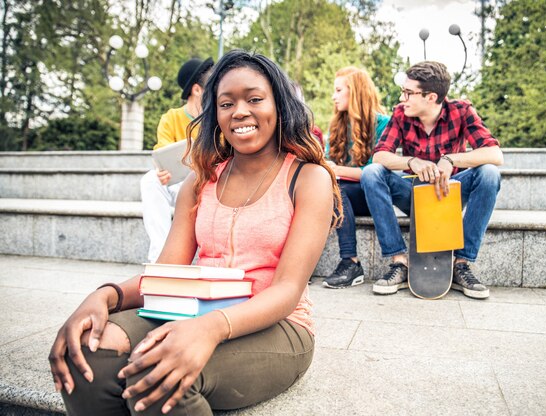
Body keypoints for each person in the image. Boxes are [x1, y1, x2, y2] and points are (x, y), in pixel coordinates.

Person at [49, 50, 342, 415]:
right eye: (226, 103)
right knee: (88, 353)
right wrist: (105, 297)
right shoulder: (199, 180)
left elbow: (286, 291)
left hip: (280, 325)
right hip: (196, 308)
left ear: (279, 105)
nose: (239, 111)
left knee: (158, 375)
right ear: (215, 114)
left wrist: (211, 329)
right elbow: (166, 271)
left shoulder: (308, 178)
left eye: (254, 99)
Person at [361, 61, 503, 298]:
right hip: (413, 195)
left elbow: (495, 154)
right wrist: (411, 162)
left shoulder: (462, 111)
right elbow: (379, 156)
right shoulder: (400, 113)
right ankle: (399, 261)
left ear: (431, 97)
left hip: (450, 194)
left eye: (408, 92)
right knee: (371, 173)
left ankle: (462, 264)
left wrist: (450, 159)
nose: (402, 97)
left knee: (489, 173)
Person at [140, 57, 214, 263]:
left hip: (211, 183)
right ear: (197, 90)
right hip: (181, 183)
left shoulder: (219, 117)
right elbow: (163, 155)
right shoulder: (170, 118)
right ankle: (160, 258)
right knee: (150, 180)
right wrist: (163, 171)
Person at [322, 66, 390, 289]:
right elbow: (326, 162)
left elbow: (377, 170)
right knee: (331, 189)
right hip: (343, 198)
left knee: (339, 188)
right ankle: (348, 262)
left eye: (339, 90)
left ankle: (350, 263)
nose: (334, 96)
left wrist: (337, 170)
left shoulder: (382, 124)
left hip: (375, 198)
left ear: (356, 92)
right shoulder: (337, 126)